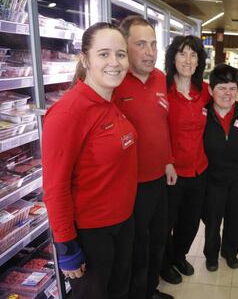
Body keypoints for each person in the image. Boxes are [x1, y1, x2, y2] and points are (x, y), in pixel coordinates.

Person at [42, 22, 137, 299]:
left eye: (120, 54)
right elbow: (55, 187)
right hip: (91, 234)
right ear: (85, 59)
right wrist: (66, 245)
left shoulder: (111, 101)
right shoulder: (68, 114)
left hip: (123, 223)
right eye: (104, 54)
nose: (114, 62)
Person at [114, 16, 176, 299]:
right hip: (131, 186)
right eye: (141, 44)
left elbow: (161, 124)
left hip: (159, 178)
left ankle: (150, 289)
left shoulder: (160, 78)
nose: (150, 52)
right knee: (136, 248)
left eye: (153, 44)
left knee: (157, 240)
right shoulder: (114, 81)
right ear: (125, 47)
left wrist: (168, 161)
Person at [160, 35, 209, 285]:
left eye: (193, 54)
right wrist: (167, 160)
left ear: (199, 60)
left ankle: (180, 256)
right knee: (167, 223)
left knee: (190, 223)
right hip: (172, 173)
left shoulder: (204, 91)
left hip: (199, 171)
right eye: (182, 53)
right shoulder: (163, 92)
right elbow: (157, 130)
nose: (188, 60)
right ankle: (164, 263)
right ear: (173, 58)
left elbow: (226, 105)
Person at [203, 64, 238, 271]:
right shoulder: (203, 115)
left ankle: (230, 252)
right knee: (212, 220)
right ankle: (211, 255)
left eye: (232, 88)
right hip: (213, 179)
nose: (227, 93)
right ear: (211, 90)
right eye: (221, 88)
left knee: (237, 219)